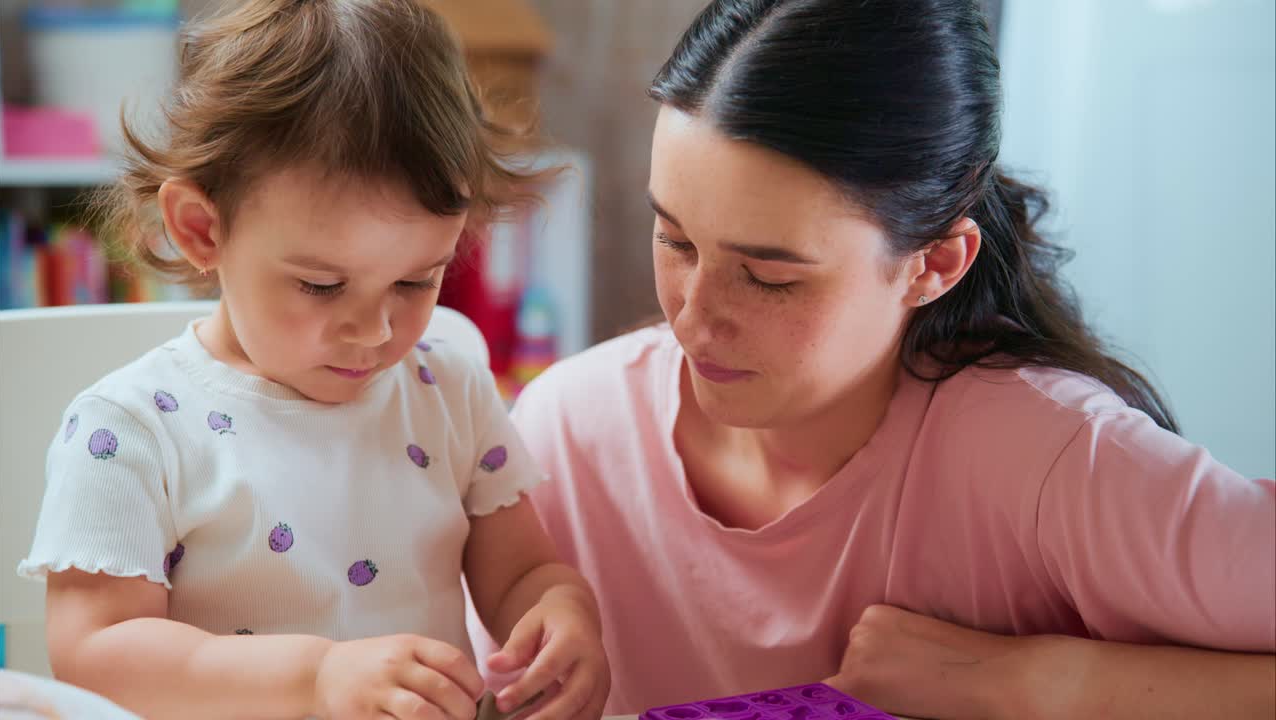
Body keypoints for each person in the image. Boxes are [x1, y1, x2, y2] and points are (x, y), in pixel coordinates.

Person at [471, 0, 1276, 717]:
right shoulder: (565, 433)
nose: (695, 317)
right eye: (675, 238)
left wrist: (1036, 685)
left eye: (770, 276)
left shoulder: (1056, 461)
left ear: (934, 264)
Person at [18, 2, 609, 718]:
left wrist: (560, 611)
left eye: (416, 280)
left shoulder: (446, 387)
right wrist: (316, 677)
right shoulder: (130, 432)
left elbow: (521, 574)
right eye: (322, 286)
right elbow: (97, 653)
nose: (374, 330)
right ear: (202, 230)